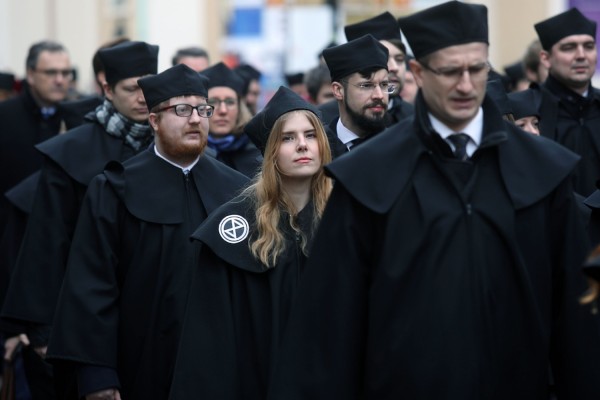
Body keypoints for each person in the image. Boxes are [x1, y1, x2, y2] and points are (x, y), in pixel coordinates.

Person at [268, 2, 600, 399]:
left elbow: (578, 321)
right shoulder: (368, 175)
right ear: (419, 73)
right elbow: (330, 324)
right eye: (449, 71)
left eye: (476, 69)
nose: (465, 85)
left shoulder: (543, 171)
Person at [45, 64, 249, 400]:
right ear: (154, 120)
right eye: (181, 110)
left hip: (224, 366)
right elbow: (92, 285)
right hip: (139, 364)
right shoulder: (114, 189)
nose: (196, 119)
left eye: (202, 109)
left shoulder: (238, 189)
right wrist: (98, 374)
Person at [1, 41, 159, 399]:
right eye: (131, 88)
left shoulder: (166, 143)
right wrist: (41, 331)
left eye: (148, 87)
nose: (142, 97)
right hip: (82, 316)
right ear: (106, 89)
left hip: (148, 313)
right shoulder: (72, 150)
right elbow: (46, 241)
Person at [169, 86, 332, 399]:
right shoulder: (236, 224)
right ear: (271, 151)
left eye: (311, 135)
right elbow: (209, 340)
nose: (302, 145)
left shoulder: (345, 217)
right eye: (288, 138)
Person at [0, 41, 72, 230]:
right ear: (31, 75)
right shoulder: (4, 116)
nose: (59, 80)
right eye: (50, 72)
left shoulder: (79, 118)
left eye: (65, 73)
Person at [532, 8, 599, 196]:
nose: (581, 55)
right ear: (546, 58)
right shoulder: (529, 112)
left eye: (588, 46)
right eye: (568, 47)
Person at [320, 12, 414, 127]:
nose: (393, 68)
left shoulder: (417, 119)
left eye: (399, 59)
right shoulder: (321, 121)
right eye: (385, 59)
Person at [321, 34, 391, 157]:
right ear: (338, 90)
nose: (379, 95)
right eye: (367, 85)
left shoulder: (402, 148)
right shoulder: (318, 148)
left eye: (384, 85)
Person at [202, 62, 262, 178]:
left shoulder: (258, 155)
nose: (223, 110)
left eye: (230, 102)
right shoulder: (189, 154)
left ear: (240, 108)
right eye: (213, 101)